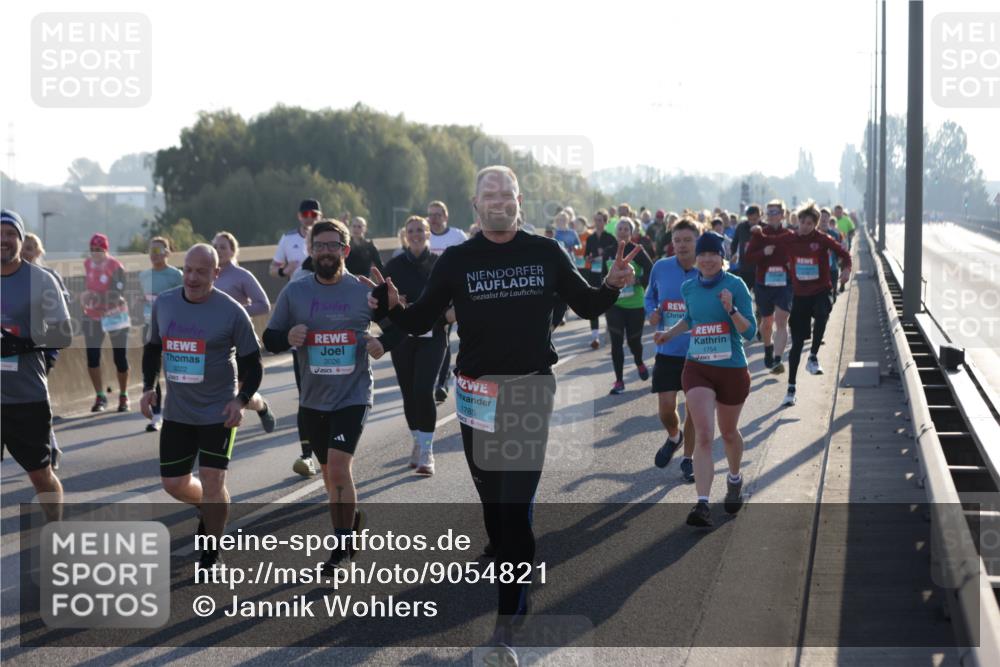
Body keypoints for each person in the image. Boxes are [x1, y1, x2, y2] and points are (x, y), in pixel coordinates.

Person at [369, 166, 638, 665]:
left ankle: (506, 628)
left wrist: (612, 286)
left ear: (520, 200)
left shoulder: (545, 251)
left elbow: (583, 302)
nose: (498, 201)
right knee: (495, 508)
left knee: (514, 508)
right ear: (475, 206)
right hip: (475, 396)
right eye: (488, 195)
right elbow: (422, 319)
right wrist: (390, 309)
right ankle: (515, 572)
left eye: (506, 193)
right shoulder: (458, 260)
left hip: (529, 389)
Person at [264, 219, 389, 573]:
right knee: (327, 474)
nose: (325, 252)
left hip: (353, 394)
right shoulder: (295, 293)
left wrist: (382, 342)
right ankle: (350, 520)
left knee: (337, 466)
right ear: (310, 250)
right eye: (319, 246)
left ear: (345, 251)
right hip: (312, 399)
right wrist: (289, 335)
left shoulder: (361, 291)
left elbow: (398, 327)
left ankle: (340, 550)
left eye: (333, 245)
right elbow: (269, 339)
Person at [141, 244, 263, 568]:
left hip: (218, 411)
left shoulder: (231, 311)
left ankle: (211, 553)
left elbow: (254, 365)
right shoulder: (165, 304)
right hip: (179, 412)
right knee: (174, 484)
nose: (192, 278)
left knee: (212, 479)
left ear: (216, 274)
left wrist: (240, 400)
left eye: (202, 271)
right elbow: (153, 349)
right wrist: (147, 388)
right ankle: (208, 504)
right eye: (188, 270)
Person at [653, 231, 756, 528]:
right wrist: (668, 333)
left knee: (728, 433)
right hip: (697, 366)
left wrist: (731, 309)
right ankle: (702, 504)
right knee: (703, 434)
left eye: (713, 254)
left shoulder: (735, 285)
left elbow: (750, 333)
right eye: (703, 255)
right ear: (696, 259)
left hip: (732, 368)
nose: (707, 260)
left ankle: (734, 479)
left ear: (722, 257)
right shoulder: (689, 287)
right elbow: (690, 318)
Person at [2, 210, 72, 521]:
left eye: (10, 234)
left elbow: (63, 332)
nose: (3, 240)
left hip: (26, 396)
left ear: (20, 239)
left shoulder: (40, 279)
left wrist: (21, 343)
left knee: (41, 475)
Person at [379, 216, 454, 475]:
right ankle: (417, 440)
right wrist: (392, 310)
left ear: (428, 233)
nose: (416, 234)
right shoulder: (395, 265)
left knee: (424, 390)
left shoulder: (440, 264)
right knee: (409, 393)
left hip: (433, 336)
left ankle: (427, 451)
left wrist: (446, 317)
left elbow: (454, 297)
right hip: (403, 337)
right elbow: (382, 303)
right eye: (411, 231)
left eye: (420, 230)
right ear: (405, 235)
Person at [766, 204, 852, 406]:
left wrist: (846, 270)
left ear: (815, 225)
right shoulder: (790, 238)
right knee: (796, 345)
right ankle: (791, 388)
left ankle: (813, 356)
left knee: (823, 313)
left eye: (809, 223)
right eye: (802, 222)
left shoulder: (822, 239)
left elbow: (844, 254)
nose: (805, 226)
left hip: (820, 290)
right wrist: (763, 245)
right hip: (799, 296)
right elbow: (768, 243)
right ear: (798, 222)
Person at [645, 218, 701, 482]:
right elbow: (650, 296)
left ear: (697, 242)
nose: (681, 245)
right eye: (677, 240)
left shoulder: (708, 269)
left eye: (687, 240)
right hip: (668, 349)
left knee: (693, 409)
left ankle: (688, 459)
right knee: (666, 410)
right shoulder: (661, 267)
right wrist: (652, 313)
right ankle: (674, 436)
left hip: (699, 352)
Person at [270, 199, 322, 477]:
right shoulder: (288, 239)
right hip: (299, 323)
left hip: (332, 331)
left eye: (314, 214)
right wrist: (285, 271)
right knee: (306, 394)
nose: (309, 217)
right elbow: (273, 269)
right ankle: (307, 454)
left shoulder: (330, 238)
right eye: (305, 213)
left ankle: (331, 449)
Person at [211, 231, 277, 433]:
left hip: (241, 341)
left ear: (233, 250)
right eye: (215, 247)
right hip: (215, 344)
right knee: (217, 393)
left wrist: (237, 313)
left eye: (223, 247)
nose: (219, 251)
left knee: (240, 396)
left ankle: (262, 406)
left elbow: (263, 305)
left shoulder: (241, 276)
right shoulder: (206, 275)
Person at [20, 233, 69, 468]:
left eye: (30, 248)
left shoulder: (48, 277)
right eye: (24, 248)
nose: (25, 252)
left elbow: (62, 313)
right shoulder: (10, 276)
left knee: (37, 398)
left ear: (38, 252)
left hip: (41, 352)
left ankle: (50, 445)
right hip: (11, 350)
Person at [138, 237, 184, 432]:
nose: (155, 254)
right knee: (151, 371)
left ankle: (181, 411)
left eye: (159, 250)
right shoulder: (143, 276)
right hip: (150, 326)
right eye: (151, 250)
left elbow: (183, 300)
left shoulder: (176, 275)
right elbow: (144, 298)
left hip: (173, 327)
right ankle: (156, 415)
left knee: (177, 370)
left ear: (167, 252)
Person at [81, 233, 131, 412]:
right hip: (93, 315)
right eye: (92, 250)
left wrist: (94, 296)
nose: (95, 253)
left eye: (99, 250)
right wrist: (85, 296)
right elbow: (88, 286)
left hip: (115, 315)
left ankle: (124, 395)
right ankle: (100, 396)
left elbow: (118, 294)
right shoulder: (87, 264)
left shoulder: (116, 266)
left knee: (120, 357)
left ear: (106, 249)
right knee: (92, 357)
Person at [744, 200, 794, 372]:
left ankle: (778, 359)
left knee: (782, 320)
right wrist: (762, 253)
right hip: (764, 284)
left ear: (782, 214)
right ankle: (768, 348)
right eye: (769, 212)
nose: (772, 215)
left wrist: (791, 263)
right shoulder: (759, 235)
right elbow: (748, 257)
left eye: (775, 212)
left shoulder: (789, 235)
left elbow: (797, 254)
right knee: (767, 322)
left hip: (783, 284)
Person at [606, 218, 653, 395]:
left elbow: (652, 270)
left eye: (627, 229)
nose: (623, 231)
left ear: (631, 232)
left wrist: (638, 280)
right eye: (620, 228)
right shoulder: (610, 251)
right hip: (614, 304)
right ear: (616, 231)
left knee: (634, 342)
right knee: (616, 343)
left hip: (635, 305)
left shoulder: (637, 251)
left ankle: (639, 361)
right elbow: (602, 275)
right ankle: (619, 380)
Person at [427, 200, 467, 403]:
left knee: (443, 337)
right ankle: (432, 380)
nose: (433, 219)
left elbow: (468, 261)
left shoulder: (458, 236)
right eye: (430, 215)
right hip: (429, 294)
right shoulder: (423, 235)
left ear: (446, 216)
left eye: (437, 215)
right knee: (433, 339)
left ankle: (441, 383)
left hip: (452, 295)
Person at [584, 210, 619, 349]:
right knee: (593, 303)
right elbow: (587, 255)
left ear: (605, 222)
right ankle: (595, 337)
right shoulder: (590, 238)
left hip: (607, 274)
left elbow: (614, 256)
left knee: (608, 304)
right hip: (593, 274)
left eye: (600, 220)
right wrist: (590, 258)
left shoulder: (610, 238)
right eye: (596, 220)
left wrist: (603, 255)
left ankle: (610, 329)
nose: (597, 223)